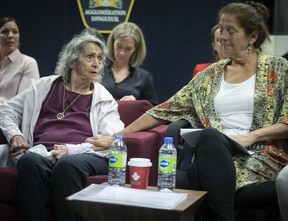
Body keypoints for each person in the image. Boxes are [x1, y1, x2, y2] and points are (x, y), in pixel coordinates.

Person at [87, 2, 288, 220]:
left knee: (203, 159)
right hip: (215, 153)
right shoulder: (208, 76)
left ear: (252, 37)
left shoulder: (278, 69)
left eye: (231, 31)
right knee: (210, 138)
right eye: (221, 29)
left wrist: (251, 137)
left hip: (259, 155)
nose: (222, 36)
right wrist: (117, 137)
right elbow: (163, 110)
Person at [0, 33, 124, 221]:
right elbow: (6, 110)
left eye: (100, 58)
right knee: (28, 161)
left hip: (86, 155)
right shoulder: (43, 86)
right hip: (43, 152)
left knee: (67, 164)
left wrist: (70, 150)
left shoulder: (104, 100)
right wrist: (15, 135)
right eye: (90, 57)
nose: (97, 63)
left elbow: (110, 140)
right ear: (72, 61)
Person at [101, 22, 159, 106]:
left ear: (136, 50)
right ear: (112, 43)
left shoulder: (143, 77)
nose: (122, 53)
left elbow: (154, 109)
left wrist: (136, 103)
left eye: (128, 49)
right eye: (119, 46)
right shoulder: (99, 68)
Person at [0, 17, 40, 104]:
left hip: (10, 116)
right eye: (5, 32)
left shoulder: (28, 63)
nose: (10, 35)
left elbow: (25, 102)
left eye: (14, 32)